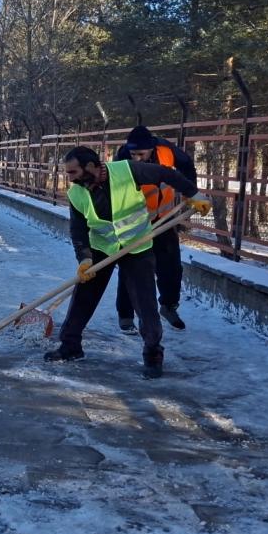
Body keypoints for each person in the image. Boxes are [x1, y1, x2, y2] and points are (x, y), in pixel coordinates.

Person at [45, 146, 210, 378]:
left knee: (145, 304)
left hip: (137, 246)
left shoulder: (127, 170)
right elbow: (78, 231)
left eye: (72, 172)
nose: (68, 178)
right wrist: (84, 259)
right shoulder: (76, 193)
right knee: (84, 296)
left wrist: (193, 195)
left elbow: (167, 174)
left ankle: (153, 354)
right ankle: (70, 346)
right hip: (101, 248)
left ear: (91, 166)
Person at [114, 126, 197, 334]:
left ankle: (169, 307)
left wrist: (191, 192)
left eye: (141, 154)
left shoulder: (166, 150)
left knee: (171, 267)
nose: (137, 158)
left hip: (164, 218)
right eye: (133, 154)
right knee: (130, 269)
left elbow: (187, 165)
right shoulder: (122, 157)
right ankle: (125, 315)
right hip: (134, 222)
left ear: (151, 148)